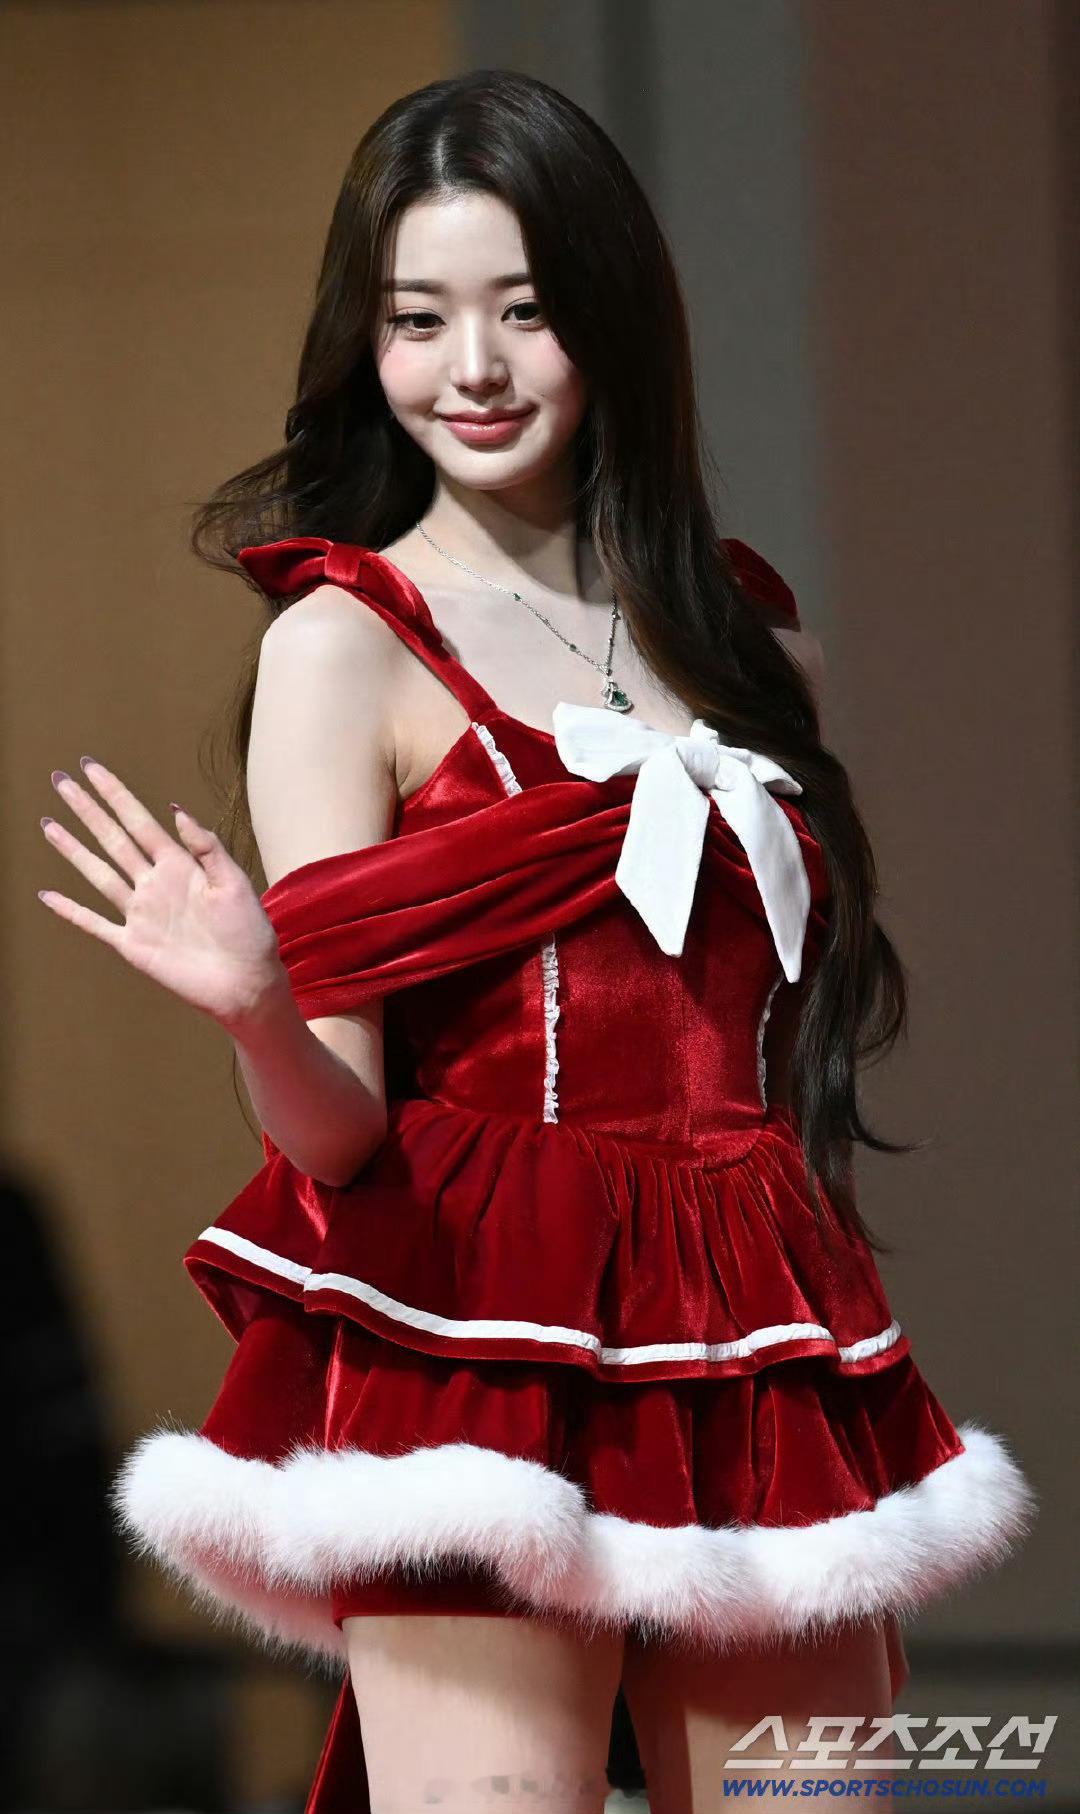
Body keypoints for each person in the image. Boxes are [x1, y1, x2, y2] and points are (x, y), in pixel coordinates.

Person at [39, 68, 1035, 1814]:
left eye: (523, 308)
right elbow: (340, 1129)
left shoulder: (756, 651)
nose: (472, 367)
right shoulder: (343, 644)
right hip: (475, 1329)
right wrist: (261, 1009)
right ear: (367, 341)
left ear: (611, 318)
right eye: (418, 319)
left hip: (756, 1322)